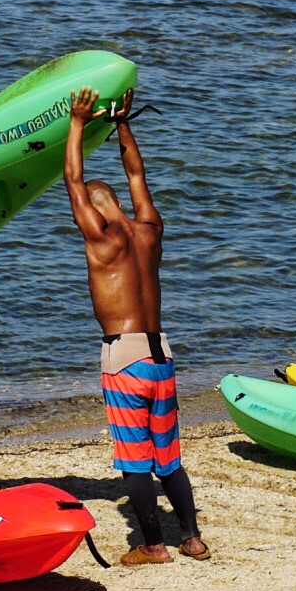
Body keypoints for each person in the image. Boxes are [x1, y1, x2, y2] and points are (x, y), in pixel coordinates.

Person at [64, 86, 209, 565]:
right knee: (169, 456)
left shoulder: (99, 239)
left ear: (92, 209)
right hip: (162, 355)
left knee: (134, 458)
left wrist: (78, 121)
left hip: (125, 359)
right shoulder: (148, 228)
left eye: (84, 203)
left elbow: (71, 177)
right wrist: (122, 122)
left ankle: (151, 546)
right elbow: (136, 173)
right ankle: (192, 538)